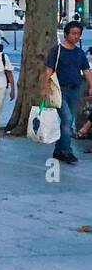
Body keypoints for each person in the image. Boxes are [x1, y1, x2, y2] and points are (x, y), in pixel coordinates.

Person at [44, 20, 92, 166]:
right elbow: (48, 71)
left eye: (78, 34)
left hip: (75, 90)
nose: (76, 37)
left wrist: (91, 85)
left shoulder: (79, 53)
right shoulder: (56, 51)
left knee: (68, 121)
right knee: (67, 119)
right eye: (73, 33)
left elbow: (86, 70)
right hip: (59, 90)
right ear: (66, 34)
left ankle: (59, 149)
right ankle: (67, 151)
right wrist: (45, 88)